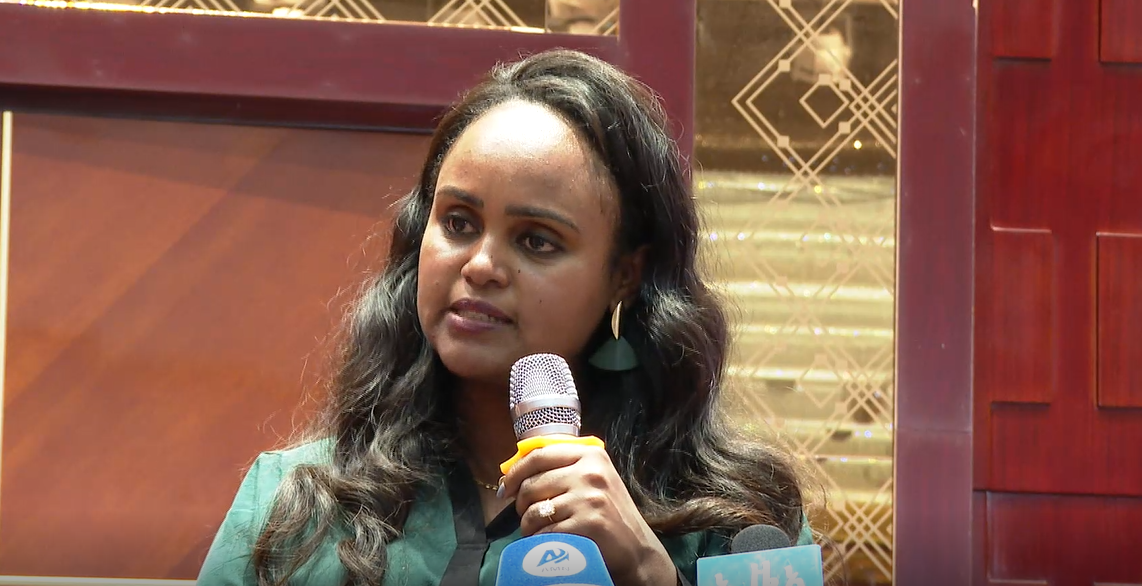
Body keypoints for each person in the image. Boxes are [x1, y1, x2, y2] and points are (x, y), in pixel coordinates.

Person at [196, 48, 814, 586]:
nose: (482, 265)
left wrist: (650, 573)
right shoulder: (294, 505)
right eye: (458, 223)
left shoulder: (742, 524)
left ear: (624, 274)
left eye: (537, 240)